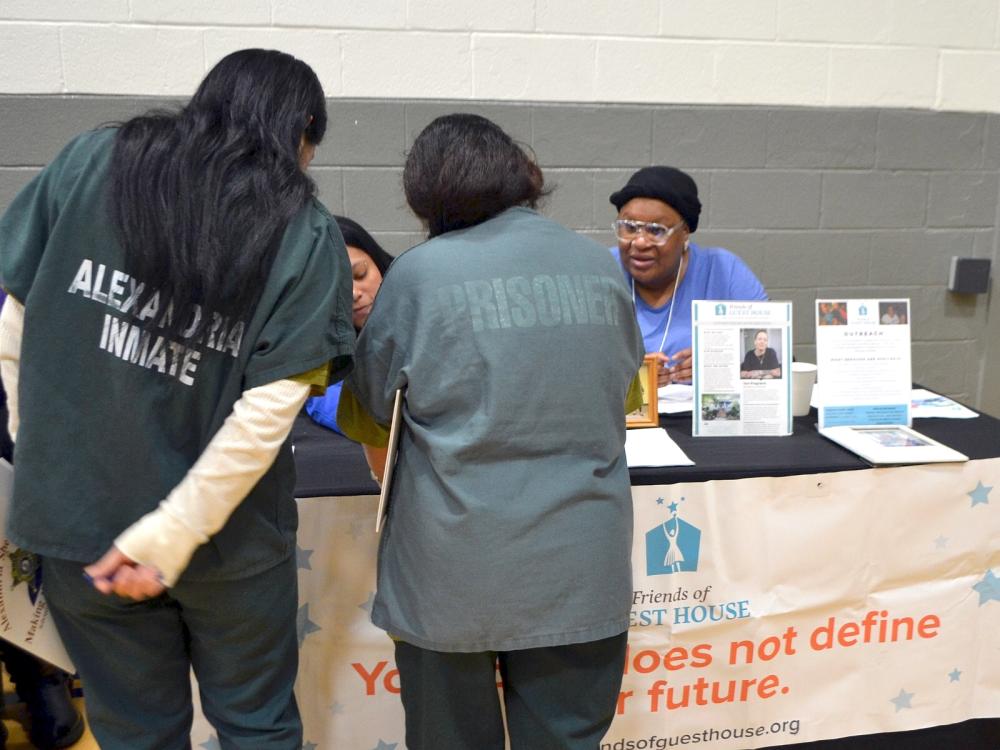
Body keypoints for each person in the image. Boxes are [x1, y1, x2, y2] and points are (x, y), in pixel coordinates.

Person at [0, 49, 355, 750]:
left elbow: (14, 321)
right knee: (256, 726)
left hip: (79, 527)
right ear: (301, 130)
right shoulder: (304, 231)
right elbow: (265, 415)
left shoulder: (92, 159)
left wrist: (38, 445)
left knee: (134, 732)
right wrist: (171, 534)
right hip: (228, 544)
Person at [337, 113, 644, 750]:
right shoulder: (600, 268)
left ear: (426, 193)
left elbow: (369, 412)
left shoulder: (419, 276)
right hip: (580, 562)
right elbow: (629, 394)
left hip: (452, 569)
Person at [610, 166, 767, 386]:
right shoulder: (602, 271)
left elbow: (773, 355)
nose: (640, 242)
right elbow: (575, 361)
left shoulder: (723, 270)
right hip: (625, 418)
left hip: (700, 417)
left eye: (656, 230)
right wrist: (631, 375)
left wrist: (721, 364)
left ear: (685, 232)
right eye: (629, 227)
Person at [305, 216, 393, 435]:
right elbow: (322, 397)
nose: (353, 293)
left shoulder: (419, 303)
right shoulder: (318, 334)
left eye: (360, 275)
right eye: (337, 286)